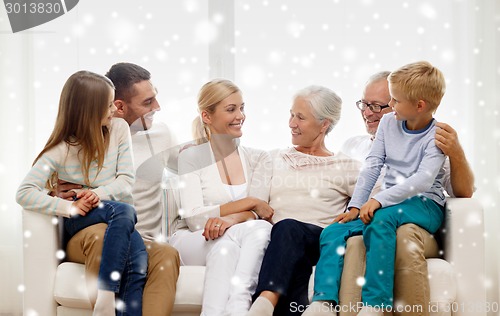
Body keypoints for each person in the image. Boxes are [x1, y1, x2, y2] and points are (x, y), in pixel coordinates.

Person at [305, 61, 452, 316]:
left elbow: (423, 180)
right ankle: (323, 303)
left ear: (419, 106)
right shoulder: (388, 124)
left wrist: (379, 201)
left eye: (394, 100)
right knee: (334, 231)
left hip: (425, 204)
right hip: (391, 205)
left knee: (380, 219)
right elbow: (372, 166)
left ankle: (376, 304)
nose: (390, 107)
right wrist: (355, 206)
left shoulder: (435, 136)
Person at [54, 63, 181, 316]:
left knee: (166, 255)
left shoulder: (161, 134)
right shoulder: (82, 137)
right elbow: (49, 176)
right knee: (103, 236)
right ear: (118, 106)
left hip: (139, 237)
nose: (157, 107)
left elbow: (195, 170)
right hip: (91, 234)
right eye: (148, 102)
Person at [16, 70, 147, 316]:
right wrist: (68, 207)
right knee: (125, 210)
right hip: (82, 217)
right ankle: (106, 295)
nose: (114, 110)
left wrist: (95, 193)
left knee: (137, 262)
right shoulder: (61, 149)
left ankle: (110, 307)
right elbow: (24, 192)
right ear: (88, 110)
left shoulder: (118, 129)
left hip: (110, 212)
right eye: (108, 105)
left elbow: (127, 180)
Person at [247, 85, 362, 316]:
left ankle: (263, 302)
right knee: (292, 255)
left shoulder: (347, 166)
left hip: (317, 239)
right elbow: (254, 204)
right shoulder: (272, 158)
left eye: (300, 117)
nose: (291, 123)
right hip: (278, 242)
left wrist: (354, 212)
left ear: (324, 124)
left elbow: (376, 198)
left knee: (289, 228)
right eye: (291, 114)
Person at [169, 79, 274, 316]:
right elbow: (195, 219)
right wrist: (250, 203)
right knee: (259, 230)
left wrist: (232, 219)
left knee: (227, 248)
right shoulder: (191, 157)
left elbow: (261, 212)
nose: (240, 116)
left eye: (242, 108)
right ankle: (239, 305)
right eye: (231, 109)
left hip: (229, 237)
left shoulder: (259, 158)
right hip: (191, 239)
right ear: (207, 116)